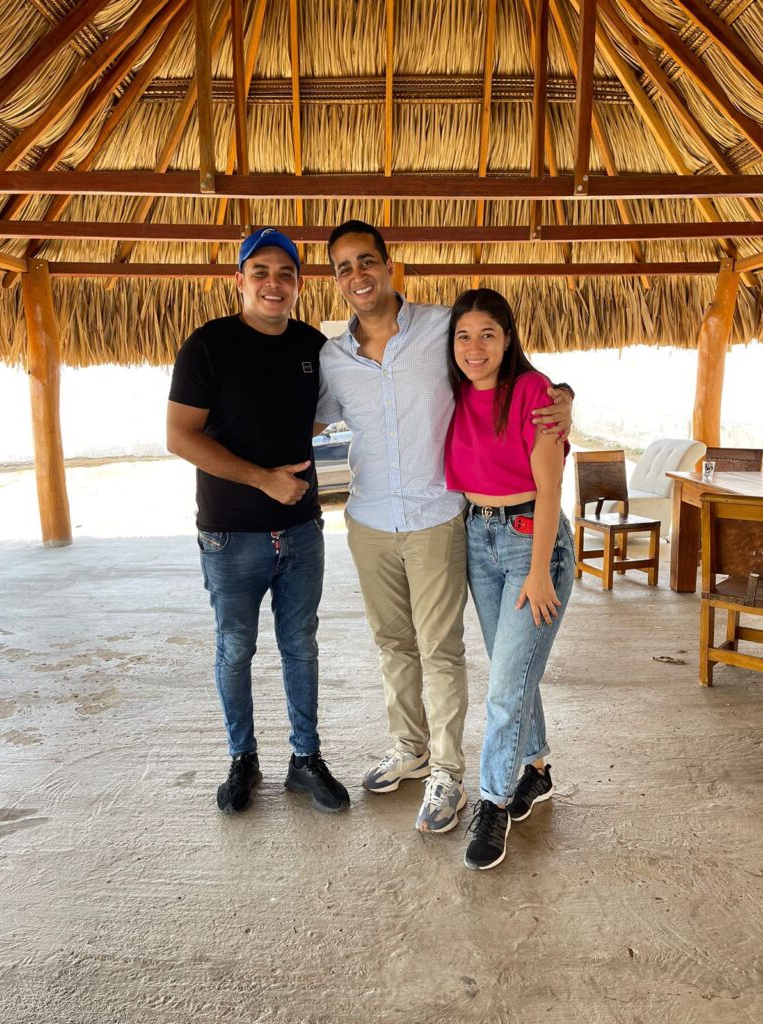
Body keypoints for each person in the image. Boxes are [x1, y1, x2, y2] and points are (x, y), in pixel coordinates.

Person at [316, 221, 573, 835]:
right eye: (344, 267)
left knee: (445, 651)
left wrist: (563, 395)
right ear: (336, 279)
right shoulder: (332, 357)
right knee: (394, 644)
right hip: (370, 517)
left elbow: (514, 373)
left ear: (389, 266)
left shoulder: (440, 328)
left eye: (367, 261)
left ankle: (454, 777)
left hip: (439, 518)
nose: (358, 275)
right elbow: (305, 419)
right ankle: (412, 748)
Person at [167, 228, 349, 815]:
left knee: (300, 646)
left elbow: (321, 415)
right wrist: (264, 478)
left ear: (299, 283)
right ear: (240, 280)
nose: (274, 283)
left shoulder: (313, 346)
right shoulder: (208, 345)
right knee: (235, 647)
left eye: (286, 273)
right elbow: (180, 437)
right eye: (261, 272)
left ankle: (305, 759)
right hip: (230, 535)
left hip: (301, 530)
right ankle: (242, 758)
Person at [444, 288, 575, 870]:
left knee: (503, 688)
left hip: (531, 540)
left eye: (487, 335)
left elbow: (550, 488)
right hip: (479, 536)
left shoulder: (532, 393)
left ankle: (494, 800)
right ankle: (537, 768)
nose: (474, 348)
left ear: (508, 338)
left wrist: (541, 571)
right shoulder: (452, 392)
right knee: (512, 670)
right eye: (463, 336)